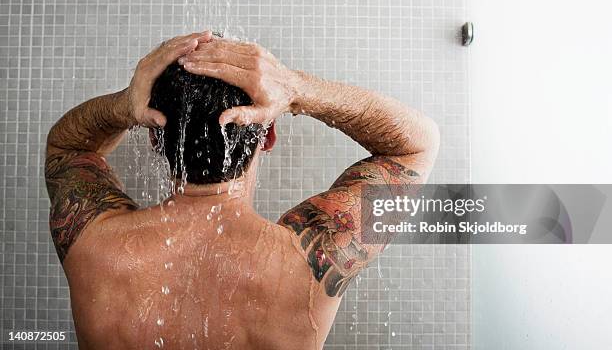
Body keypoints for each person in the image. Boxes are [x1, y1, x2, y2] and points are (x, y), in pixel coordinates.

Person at [45, 30, 439, 349]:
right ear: (267, 135)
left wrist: (123, 105)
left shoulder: (94, 244)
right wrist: (296, 90)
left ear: (152, 138)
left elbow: (68, 146)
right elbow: (415, 145)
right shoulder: (313, 259)